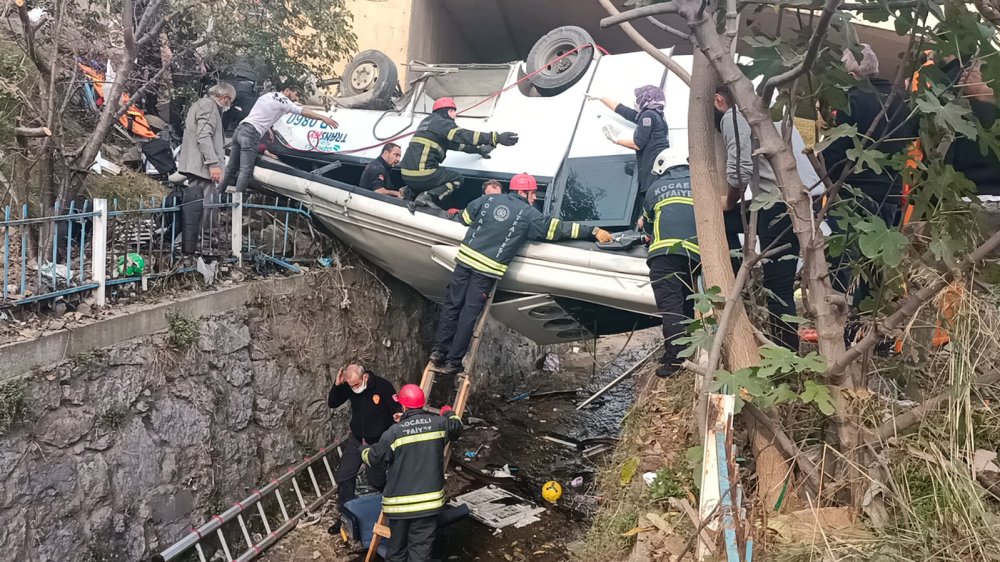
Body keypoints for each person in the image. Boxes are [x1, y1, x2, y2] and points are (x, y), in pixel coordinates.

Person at [430, 173, 614, 374]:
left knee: (452, 305)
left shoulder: (488, 199)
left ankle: (438, 352)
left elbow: (466, 218)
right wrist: (592, 231)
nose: (535, 198)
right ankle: (453, 362)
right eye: (532, 193)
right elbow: (557, 229)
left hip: (464, 261)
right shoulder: (528, 214)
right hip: (486, 270)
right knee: (468, 314)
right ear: (522, 192)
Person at [820, 45, 915, 313]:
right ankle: (874, 329)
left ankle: (843, 327)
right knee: (878, 263)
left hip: (854, 193)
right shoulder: (901, 100)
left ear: (853, 73)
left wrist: (826, 169)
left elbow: (838, 150)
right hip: (891, 193)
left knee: (844, 261)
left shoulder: (853, 99)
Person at [714, 86, 801, 351]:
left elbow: (740, 172)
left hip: (778, 203)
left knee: (777, 286)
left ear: (718, 99)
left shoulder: (734, 116)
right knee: (782, 282)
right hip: (802, 199)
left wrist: (728, 202)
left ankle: (786, 354)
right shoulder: (771, 113)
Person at [361, 384, 462, 562]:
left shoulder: (394, 432)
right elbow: (456, 426)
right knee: (420, 552)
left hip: (399, 507)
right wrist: (447, 411)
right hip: (428, 505)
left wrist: (364, 450)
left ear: (404, 407)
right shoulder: (439, 424)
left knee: (397, 551)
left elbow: (375, 459)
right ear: (422, 404)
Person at [640, 149, 700, 378]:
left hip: (664, 255)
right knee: (686, 304)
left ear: (662, 168)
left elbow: (647, 227)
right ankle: (682, 351)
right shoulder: (698, 183)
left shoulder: (655, 189)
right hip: (693, 255)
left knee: (671, 307)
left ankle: (675, 362)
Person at [401, 97, 519, 209]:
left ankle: (409, 191)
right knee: (456, 178)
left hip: (406, 175)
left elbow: (458, 145)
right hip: (422, 173)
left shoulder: (428, 124)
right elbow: (462, 135)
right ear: (444, 111)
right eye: (452, 111)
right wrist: (495, 137)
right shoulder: (441, 122)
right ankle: (427, 197)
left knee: (436, 174)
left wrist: (479, 150)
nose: (455, 115)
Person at [222, 83, 339, 194]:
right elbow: (302, 111)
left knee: (231, 167)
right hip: (251, 134)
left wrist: (268, 128)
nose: (296, 99)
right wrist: (323, 118)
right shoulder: (283, 100)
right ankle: (237, 203)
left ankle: (217, 193)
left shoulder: (267, 95)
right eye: (296, 94)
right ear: (287, 90)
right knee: (245, 170)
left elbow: (259, 115)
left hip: (240, 129)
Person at [327, 363, 401, 511]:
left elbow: (396, 410)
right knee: (344, 475)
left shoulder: (382, 386)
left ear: (364, 376)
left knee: (376, 480)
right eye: (351, 386)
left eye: (357, 384)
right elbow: (333, 403)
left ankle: (388, 507)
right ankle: (346, 513)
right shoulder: (349, 387)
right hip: (357, 439)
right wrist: (337, 385)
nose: (355, 388)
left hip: (377, 442)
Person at [176, 82, 235, 257]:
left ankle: (200, 242)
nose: (228, 105)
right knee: (209, 204)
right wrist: (213, 164)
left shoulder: (201, 104)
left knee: (199, 205)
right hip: (202, 166)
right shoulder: (209, 106)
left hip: (197, 164)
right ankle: (208, 243)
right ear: (224, 98)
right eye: (229, 101)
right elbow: (204, 136)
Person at [588, 85, 670, 192]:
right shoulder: (657, 116)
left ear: (646, 99)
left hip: (652, 170)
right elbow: (624, 111)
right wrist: (601, 98)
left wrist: (616, 140)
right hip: (660, 169)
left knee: (650, 199)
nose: (637, 101)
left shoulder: (648, 116)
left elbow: (637, 144)